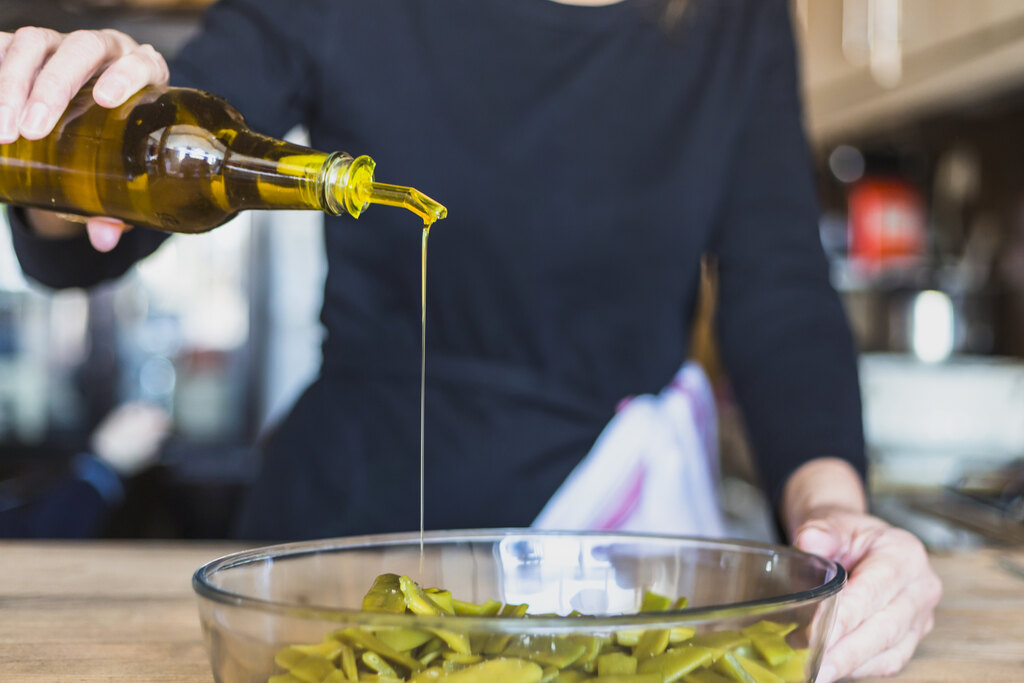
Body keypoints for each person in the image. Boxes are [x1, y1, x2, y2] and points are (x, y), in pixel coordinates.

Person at [0, 0, 940, 680]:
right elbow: (95, 240)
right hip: (347, 548)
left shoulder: (735, 19)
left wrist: (836, 515)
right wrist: (73, 120)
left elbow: (777, 291)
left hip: (613, 571)